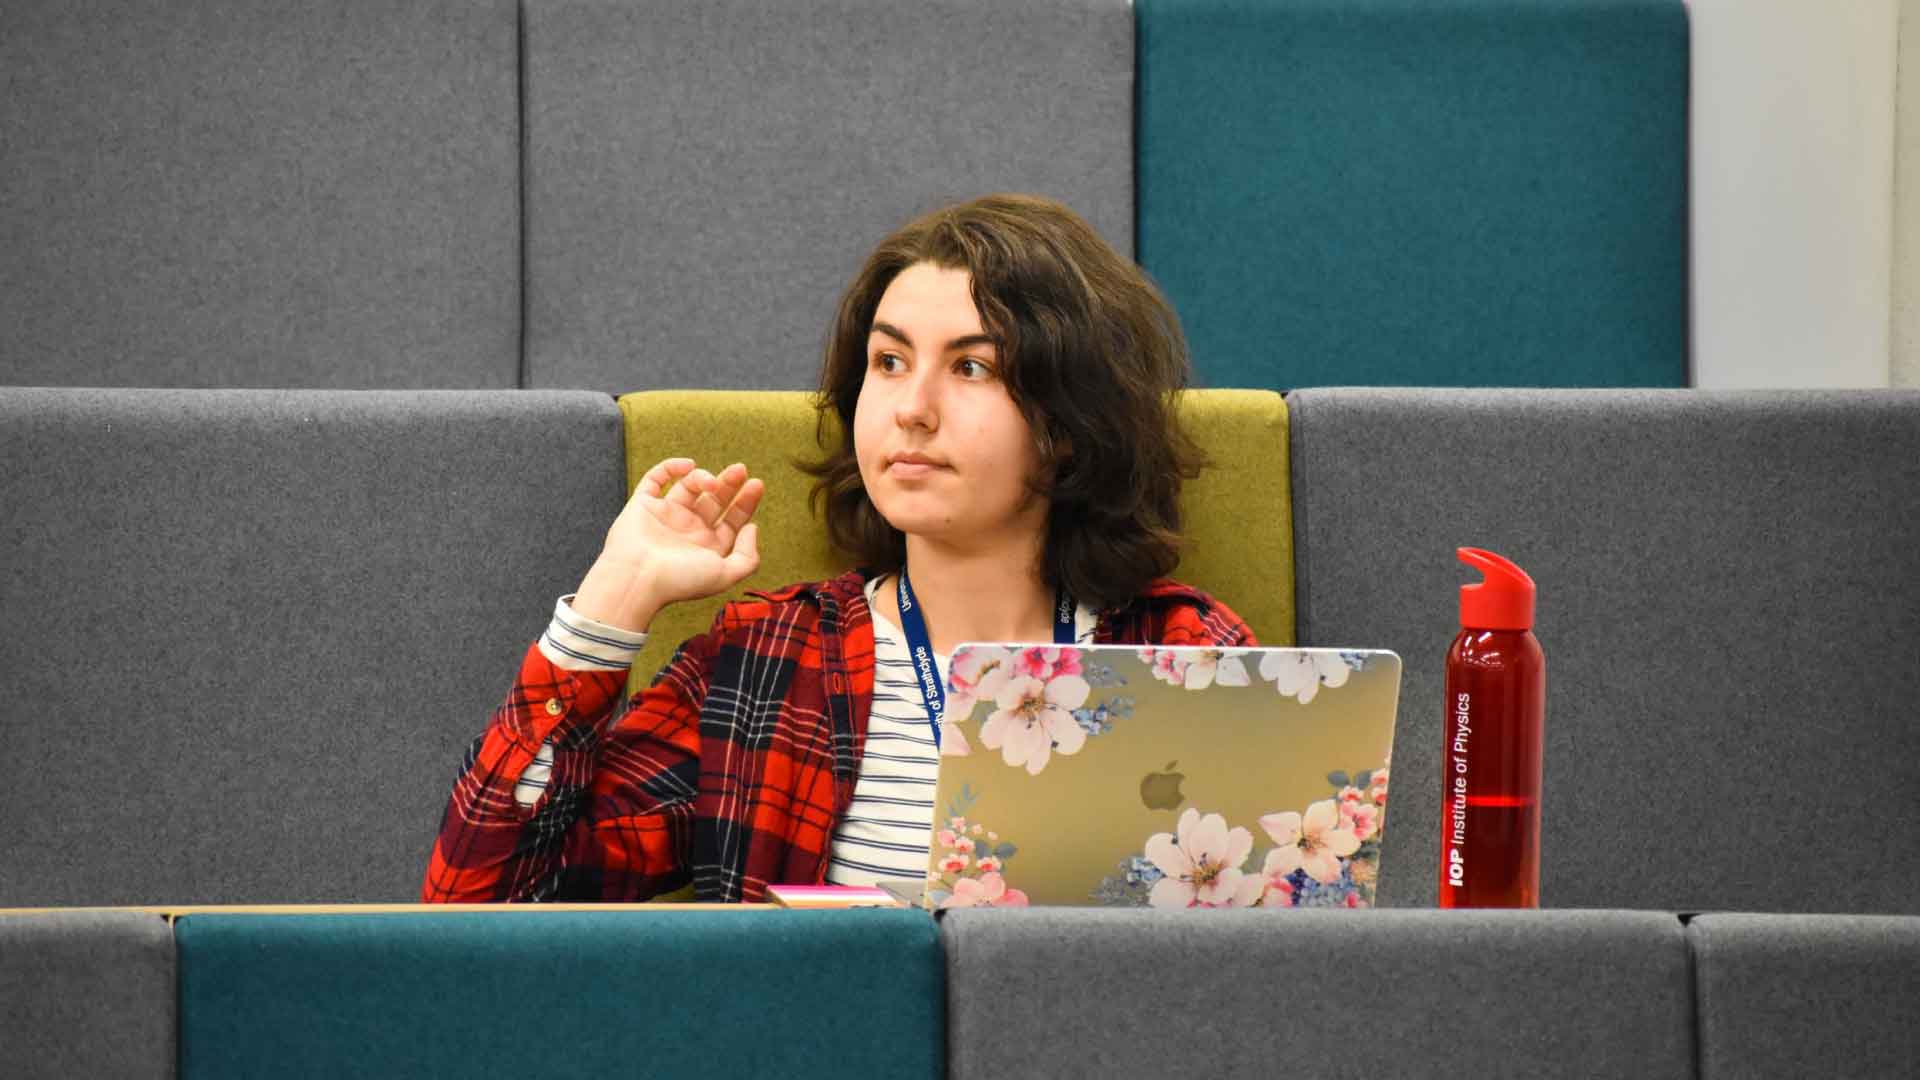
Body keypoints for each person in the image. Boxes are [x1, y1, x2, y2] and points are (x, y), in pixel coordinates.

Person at [421, 193, 1257, 904]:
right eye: (888, 362)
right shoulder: (767, 661)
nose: (912, 408)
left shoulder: (1184, 655)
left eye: (971, 370)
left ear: (1071, 424)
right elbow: (483, 905)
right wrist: (612, 603)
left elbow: (1265, 967)